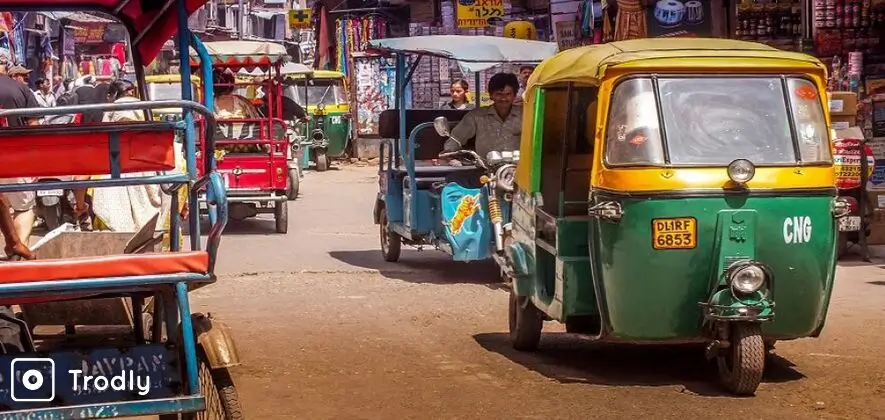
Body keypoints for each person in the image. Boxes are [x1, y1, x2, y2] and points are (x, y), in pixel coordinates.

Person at [442, 72, 522, 165]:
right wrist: (451, 158)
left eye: (508, 94)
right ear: (491, 95)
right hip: (485, 171)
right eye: (499, 94)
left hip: (519, 170)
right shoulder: (477, 116)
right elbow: (456, 138)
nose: (503, 98)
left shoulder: (525, 115)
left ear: (514, 95)